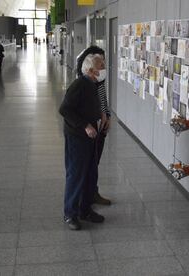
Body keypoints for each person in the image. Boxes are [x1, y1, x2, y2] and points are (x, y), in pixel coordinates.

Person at [59, 54, 106, 230]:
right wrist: (86, 125)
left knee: (90, 174)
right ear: (91, 70)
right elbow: (65, 109)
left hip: (90, 138)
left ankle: (85, 210)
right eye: (101, 66)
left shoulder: (92, 85)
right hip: (77, 137)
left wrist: (100, 115)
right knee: (76, 174)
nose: (103, 69)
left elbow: (88, 107)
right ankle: (69, 214)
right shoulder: (79, 85)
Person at [76, 46, 112, 206]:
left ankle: (93, 192)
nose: (103, 66)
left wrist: (108, 116)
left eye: (103, 62)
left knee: (95, 162)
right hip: (89, 128)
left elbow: (103, 99)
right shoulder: (83, 83)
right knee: (87, 164)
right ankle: (84, 196)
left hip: (101, 126)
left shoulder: (100, 81)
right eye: (100, 63)